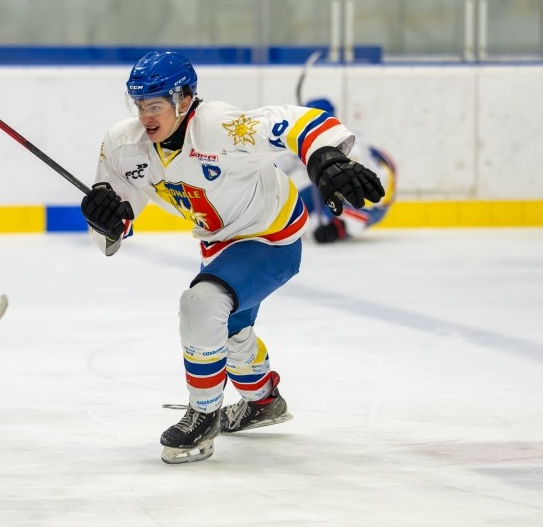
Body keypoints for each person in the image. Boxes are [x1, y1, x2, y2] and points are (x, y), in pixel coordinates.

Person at [79, 52, 384, 464]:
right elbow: (115, 223)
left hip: (271, 238)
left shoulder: (221, 127)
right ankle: (263, 401)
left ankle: (203, 414)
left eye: (155, 105)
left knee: (201, 304)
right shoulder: (123, 145)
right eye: (139, 105)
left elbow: (299, 121)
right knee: (228, 332)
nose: (145, 116)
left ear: (184, 100)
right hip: (219, 245)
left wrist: (325, 158)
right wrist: (104, 218)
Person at [289, 98, 397, 243]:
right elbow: (280, 165)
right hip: (333, 189)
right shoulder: (301, 141)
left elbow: (366, 200)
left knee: (321, 229)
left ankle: (337, 226)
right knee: (291, 209)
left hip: (372, 203)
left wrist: (337, 227)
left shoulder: (351, 147)